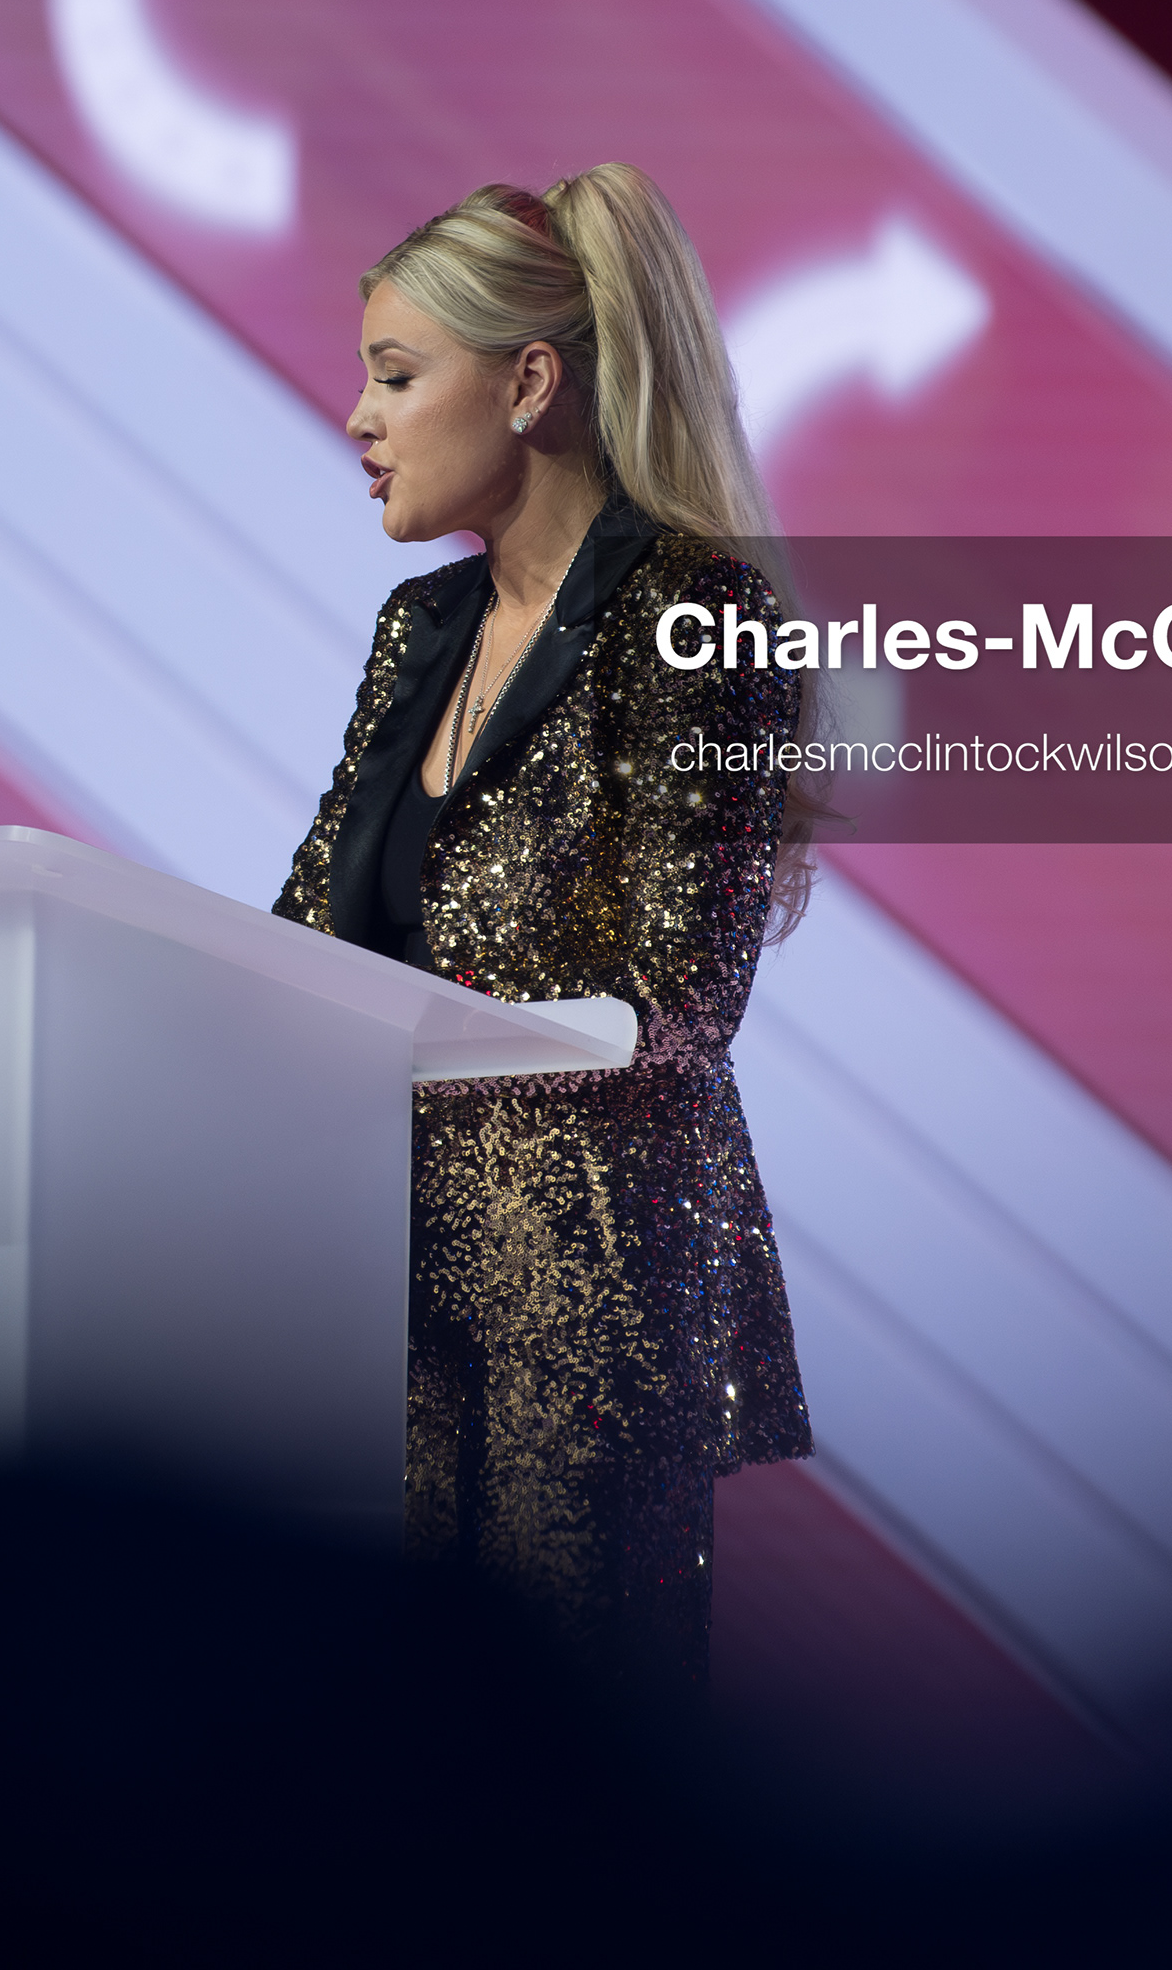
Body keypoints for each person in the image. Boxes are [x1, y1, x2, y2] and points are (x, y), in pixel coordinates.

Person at [272, 165, 812, 1702]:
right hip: (374, 1292)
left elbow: (683, 994)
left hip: (589, 1300)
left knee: (557, 1792)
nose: (359, 419)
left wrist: (417, 1021)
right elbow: (315, 922)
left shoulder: (697, 615)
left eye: (392, 375)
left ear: (528, 383)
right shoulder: (419, 633)